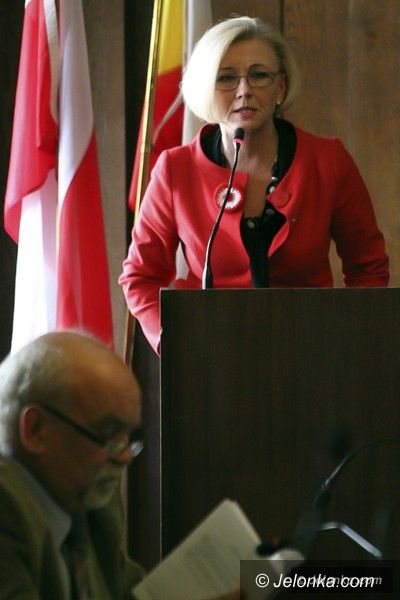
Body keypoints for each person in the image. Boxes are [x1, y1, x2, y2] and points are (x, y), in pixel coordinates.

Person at [119, 15, 389, 354]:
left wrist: (350, 343)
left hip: (314, 352)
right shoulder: (175, 170)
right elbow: (140, 276)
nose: (244, 90)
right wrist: (177, 344)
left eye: (259, 75)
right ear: (206, 88)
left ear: (281, 87)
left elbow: (368, 267)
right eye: (226, 78)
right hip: (210, 356)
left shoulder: (328, 161)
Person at [0, 331, 240, 600]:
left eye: (127, 438)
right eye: (107, 435)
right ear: (35, 429)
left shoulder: (92, 504)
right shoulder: (7, 509)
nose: (124, 457)